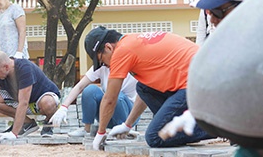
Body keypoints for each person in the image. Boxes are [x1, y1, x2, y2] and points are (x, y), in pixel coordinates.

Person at [159, 0, 260, 149]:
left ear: (243, 6)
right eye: (208, 12)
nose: (211, 19)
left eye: (217, 12)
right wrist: (194, 112)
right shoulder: (236, 29)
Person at [85, 26, 215, 150]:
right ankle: (183, 128)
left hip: (196, 82)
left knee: (154, 137)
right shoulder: (131, 42)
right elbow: (146, 90)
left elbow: (110, 99)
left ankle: (220, 127)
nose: (105, 66)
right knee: (143, 87)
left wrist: (100, 134)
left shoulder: (121, 51)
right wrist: (127, 125)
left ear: (108, 47)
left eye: (102, 61)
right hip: (200, 78)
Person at [49, 65, 137, 137]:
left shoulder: (128, 62)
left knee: (115, 94)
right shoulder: (101, 65)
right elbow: (79, 86)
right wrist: (64, 107)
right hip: (107, 114)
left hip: (129, 114)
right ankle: (87, 129)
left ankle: (124, 131)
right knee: (90, 90)